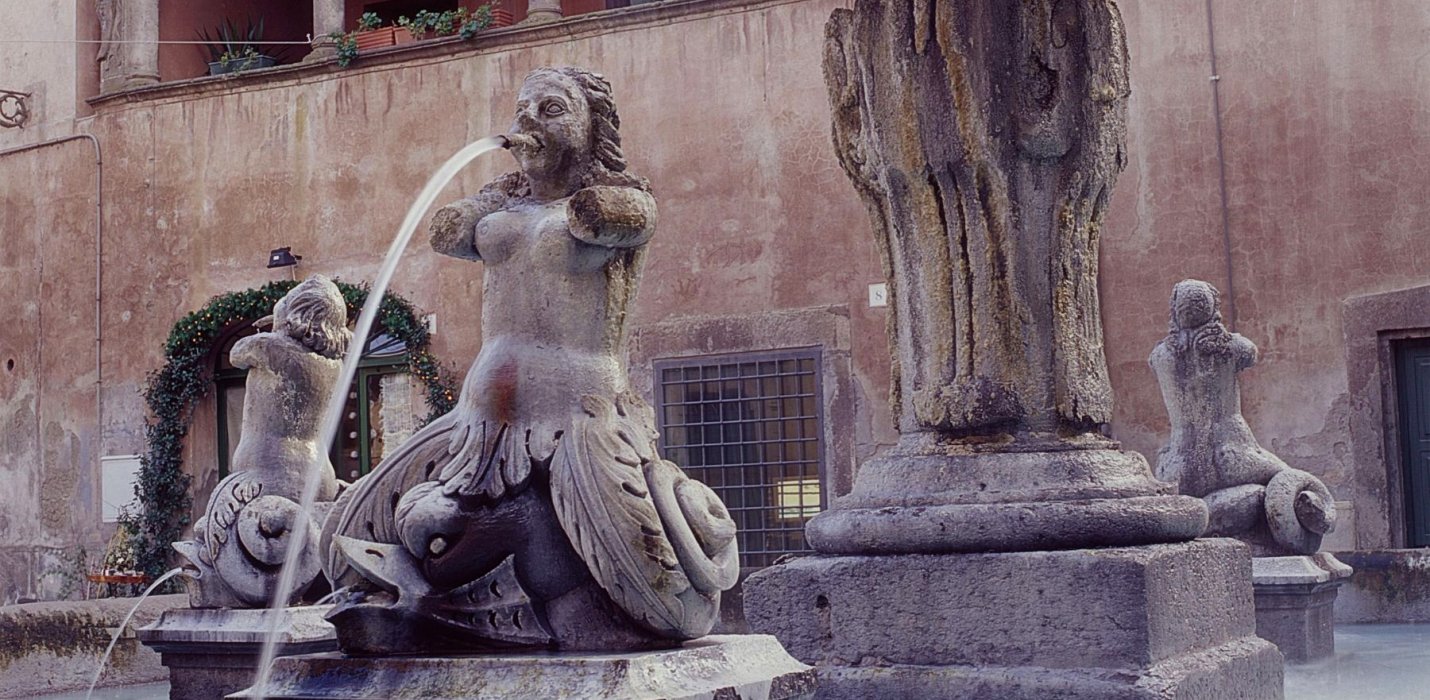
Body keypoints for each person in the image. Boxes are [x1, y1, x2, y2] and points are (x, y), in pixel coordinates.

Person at [324, 67, 736, 654]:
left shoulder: (624, 202)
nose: (529, 122)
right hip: (479, 422)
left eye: (551, 109)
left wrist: (546, 189)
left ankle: (510, 608)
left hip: (576, 417)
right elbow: (447, 232)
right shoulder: (506, 207)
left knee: (641, 583)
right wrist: (504, 190)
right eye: (523, 110)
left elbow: (605, 217)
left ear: (593, 127)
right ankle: (431, 603)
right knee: (375, 528)